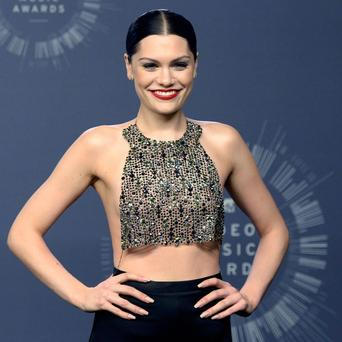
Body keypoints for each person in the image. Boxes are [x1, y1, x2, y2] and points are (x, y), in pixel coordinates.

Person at [6, 8, 290, 342]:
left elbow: (274, 230)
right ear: (129, 66)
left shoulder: (225, 141)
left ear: (195, 65)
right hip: (127, 322)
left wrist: (250, 295)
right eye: (150, 65)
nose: (166, 80)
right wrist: (83, 295)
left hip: (206, 323)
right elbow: (23, 233)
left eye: (179, 64)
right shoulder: (97, 144)